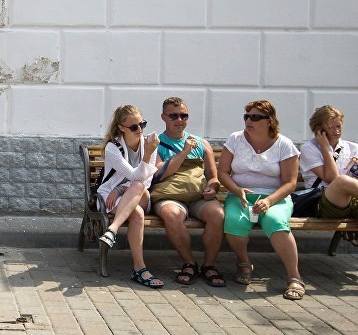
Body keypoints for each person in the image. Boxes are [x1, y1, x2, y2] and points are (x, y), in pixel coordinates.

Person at [217, 100, 304, 300]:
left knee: (275, 222)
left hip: (275, 197)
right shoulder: (236, 139)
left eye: (255, 117)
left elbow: (290, 183)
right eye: (246, 116)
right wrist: (237, 190)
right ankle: (244, 262)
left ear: (270, 120)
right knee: (233, 221)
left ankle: (294, 276)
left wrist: (269, 201)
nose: (249, 120)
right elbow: (223, 173)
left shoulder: (284, 144)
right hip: (242, 195)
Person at [153, 97, 226, 287]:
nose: (179, 120)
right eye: (174, 116)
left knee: (217, 214)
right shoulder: (155, 143)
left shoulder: (202, 144)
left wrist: (213, 187)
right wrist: (184, 152)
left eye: (184, 115)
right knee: (171, 214)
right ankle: (189, 264)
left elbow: (213, 176)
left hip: (198, 196)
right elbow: (160, 173)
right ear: (163, 117)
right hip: (169, 195)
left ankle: (209, 265)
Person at [96, 105, 163, 289]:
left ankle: (112, 229)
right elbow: (135, 176)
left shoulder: (148, 144)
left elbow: (145, 181)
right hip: (109, 197)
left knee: (139, 186)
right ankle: (139, 269)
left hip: (138, 194)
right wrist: (120, 189)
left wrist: (121, 189)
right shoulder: (113, 147)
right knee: (137, 214)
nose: (139, 130)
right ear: (121, 128)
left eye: (142, 124)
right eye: (134, 127)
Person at [299, 105, 358, 221]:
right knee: (342, 181)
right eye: (330, 128)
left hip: (351, 201)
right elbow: (333, 178)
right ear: (319, 129)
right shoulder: (309, 148)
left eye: (338, 126)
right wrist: (325, 148)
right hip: (323, 202)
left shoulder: (353, 148)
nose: (336, 131)